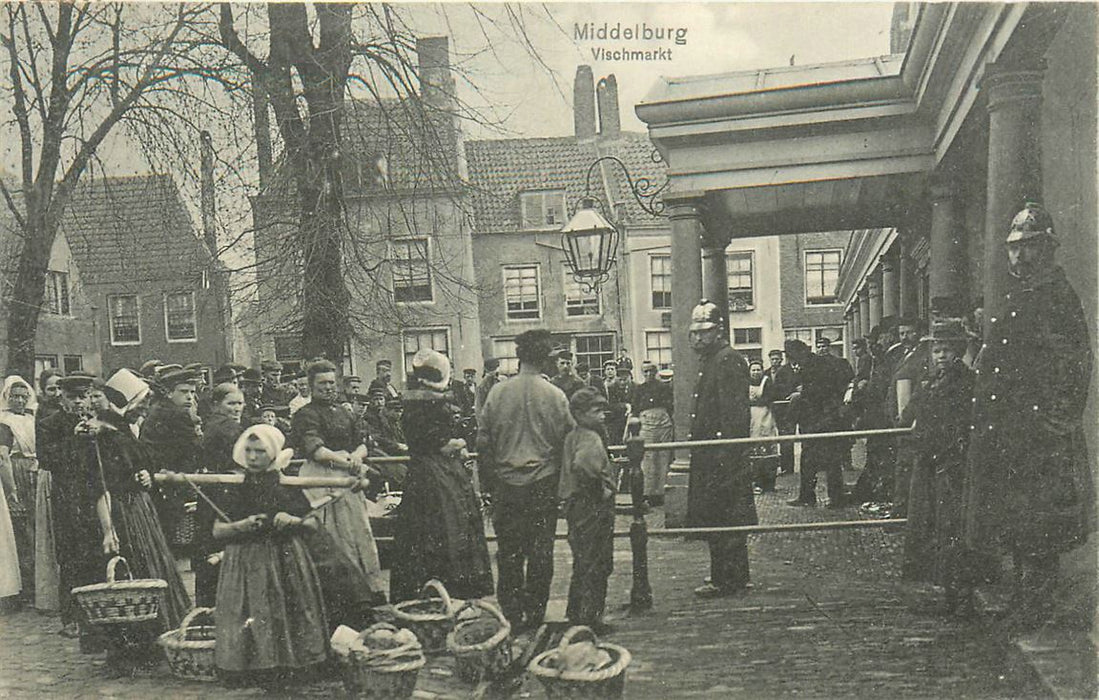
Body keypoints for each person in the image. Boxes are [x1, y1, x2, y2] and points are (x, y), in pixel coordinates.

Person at [963, 202, 1094, 634]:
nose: (1019, 257)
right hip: (1010, 435)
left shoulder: (1057, 296)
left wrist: (1050, 423)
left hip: (1040, 440)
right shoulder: (1019, 294)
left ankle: (1039, 614)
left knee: (1041, 527)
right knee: (1016, 522)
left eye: (1030, 248)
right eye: (1014, 249)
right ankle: (1025, 602)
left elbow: (1074, 366)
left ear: (1048, 249)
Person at [213, 425, 328, 684]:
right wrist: (240, 526)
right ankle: (253, 667)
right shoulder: (233, 485)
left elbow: (312, 524)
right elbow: (217, 531)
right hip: (244, 561)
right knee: (251, 612)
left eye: (260, 451)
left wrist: (293, 521)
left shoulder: (287, 484)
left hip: (286, 559)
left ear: (273, 453)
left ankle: (289, 664)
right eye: (249, 451)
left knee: (289, 610)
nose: (252, 457)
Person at [477, 329, 574, 630]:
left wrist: (489, 484)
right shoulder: (555, 395)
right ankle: (535, 613)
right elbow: (568, 439)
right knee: (541, 552)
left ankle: (512, 613)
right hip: (542, 484)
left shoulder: (497, 393)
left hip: (506, 486)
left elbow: (483, 443)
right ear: (545, 360)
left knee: (508, 553)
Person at [390, 350, 493, 602]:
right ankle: (453, 590)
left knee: (424, 530)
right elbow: (441, 444)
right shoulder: (432, 404)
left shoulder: (413, 403)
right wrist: (459, 442)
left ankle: (424, 590)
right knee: (449, 526)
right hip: (440, 474)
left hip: (421, 474)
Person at [291, 360, 385, 596]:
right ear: (311, 386)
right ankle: (337, 594)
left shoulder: (345, 412)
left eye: (332, 382)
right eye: (322, 383)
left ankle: (365, 591)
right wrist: (347, 462)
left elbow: (364, 442)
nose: (328, 387)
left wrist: (355, 457)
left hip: (349, 478)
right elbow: (316, 450)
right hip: (323, 480)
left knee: (359, 534)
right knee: (332, 536)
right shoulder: (305, 414)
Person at [902, 319, 976, 616]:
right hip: (930, 463)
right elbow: (909, 414)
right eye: (937, 351)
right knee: (934, 525)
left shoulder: (966, 382)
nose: (941, 356)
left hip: (952, 464)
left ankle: (961, 593)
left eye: (947, 350)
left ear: (958, 351)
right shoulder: (931, 382)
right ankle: (948, 590)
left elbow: (964, 424)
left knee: (953, 527)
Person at [686, 300, 756, 598]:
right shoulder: (713, 360)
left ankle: (728, 579)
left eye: (705, 332)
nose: (698, 338)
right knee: (720, 516)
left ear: (719, 331)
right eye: (696, 333)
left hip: (722, 455)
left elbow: (734, 414)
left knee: (726, 516)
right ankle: (728, 575)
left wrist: (725, 452)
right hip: (714, 454)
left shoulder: (727, 360)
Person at [37, 372, 95, 636]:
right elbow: (47, 459)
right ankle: (70, 617)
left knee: (93, 553)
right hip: (66, 496)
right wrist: (73, 437)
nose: (79, 403)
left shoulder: (95, 422)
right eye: (73, 398)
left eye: (83, 397)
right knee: (70, 555)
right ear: (62, 399)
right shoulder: (50, 424)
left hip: (93, 495)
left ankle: (93, 614)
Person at [560, 388, 616, 632]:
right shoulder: (590, 437)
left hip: (576, 505)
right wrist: (600, 490)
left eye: (604, 410)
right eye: (596, 411)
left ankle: (576, 613)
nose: (603, 416)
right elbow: (584, 464)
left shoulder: (574, 435)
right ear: (580, 413)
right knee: (597, 561)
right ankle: (591, 618)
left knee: (582, 561)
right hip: (590, 504)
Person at [785, 338, 853, 509]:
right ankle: (809, 495)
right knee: (810, 458)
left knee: (828, 459)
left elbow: (823, 389)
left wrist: (801, 394)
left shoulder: (816, 365)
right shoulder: (811, 363)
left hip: (823, 419)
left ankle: (832, 498)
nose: (793, 361)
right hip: (815, 420)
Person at [195, 383, 246, 606]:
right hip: (224, 491)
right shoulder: (224, 426)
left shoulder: (218, 424)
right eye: (231, 403)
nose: (237, 408)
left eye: (240, 403)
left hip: (219, 489)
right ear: (217, 405)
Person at [0, 376, 38, 601]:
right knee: (21, 528)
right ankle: (25, 584)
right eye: (15, 397)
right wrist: (12, 487)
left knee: (36, 525)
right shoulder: (4, 421)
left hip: (35, 469)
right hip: (17, 470)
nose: (20, 401)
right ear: (7, 397)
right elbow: (3, 455)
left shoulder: (32, 418)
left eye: (24, 397)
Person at [630, 360, 674, 506]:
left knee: (663, 456)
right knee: (648, 457)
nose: (648, 374)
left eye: (651, 371)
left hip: (663, 423)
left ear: (655, 372)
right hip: (646, 423)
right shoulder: (639, 389)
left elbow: (670, 406)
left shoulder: (664, 387)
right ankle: (648, 493)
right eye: (645, 371)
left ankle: (661, 492)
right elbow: (635, 409)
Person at [747, 360, 780, 493]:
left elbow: (770, 397)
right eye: (753, 370)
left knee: (768, 449)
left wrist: (757, 401)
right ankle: (757, 482)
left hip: (766, 415)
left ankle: (770, 483)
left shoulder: (767, 381)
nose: (756, 372)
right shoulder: (745, 383)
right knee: (754, 451)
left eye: (758, 370)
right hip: (751, 417)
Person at [765, 349, 799, 475]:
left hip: (786, 409)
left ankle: (787, 467)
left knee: (786, 437)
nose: (775, 361)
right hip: (770, 409)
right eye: (773, 359)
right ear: (769, 359)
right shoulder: (765, 373)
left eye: (777, 359)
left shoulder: (789, 372)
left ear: (781, 359)